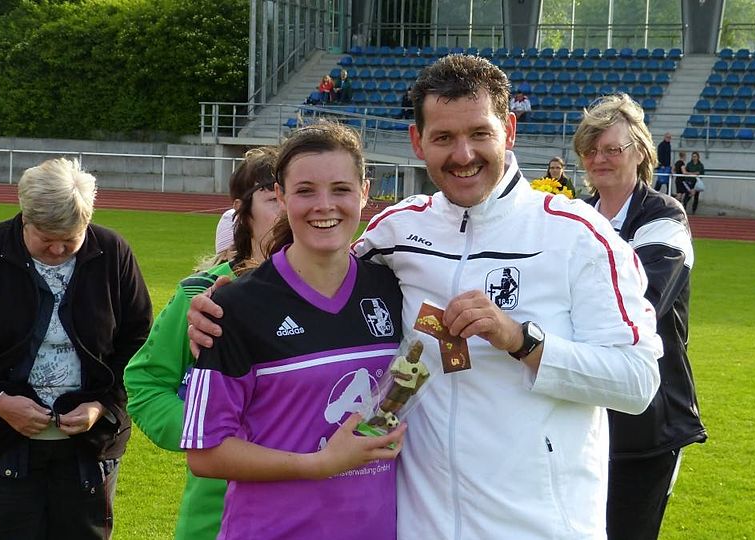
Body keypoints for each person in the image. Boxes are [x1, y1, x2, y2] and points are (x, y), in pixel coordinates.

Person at [188, 54, 662, 540]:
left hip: (538, 527)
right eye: (443, 137)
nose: (463, 154)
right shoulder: (398, 231)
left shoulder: (578, 236)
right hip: (421, 526)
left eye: (479, 133)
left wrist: (522, 340)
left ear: (509, 131)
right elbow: (314, 271)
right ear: (418, 142)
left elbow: (637, 382)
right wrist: (229, 301)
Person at [182, 122, 407, 540]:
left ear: (364, 192)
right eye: (305, 191)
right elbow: (204, 452)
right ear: (282, 196)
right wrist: (318, 465)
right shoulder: (235, 307)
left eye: (341, 189)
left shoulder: (393, 290)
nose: (324, 205)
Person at [0, 158, 153, 540]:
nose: (57, 248)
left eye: (70, 238)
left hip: (89, 450)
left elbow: (138, 341)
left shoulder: (113, 253)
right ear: (25, 218)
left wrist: (101, 405)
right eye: (46, 237)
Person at [124, 147, 281, 540]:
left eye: (297, 193)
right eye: (273, 198)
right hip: (216, 519)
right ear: (242, 212)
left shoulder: (339, 291)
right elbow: (146, 384)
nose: (289, 209)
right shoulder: (202, 294)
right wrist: (208, 432)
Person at [575, 94, 707, 540]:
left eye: (612, 148)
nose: (599, 158)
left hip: (647, 423)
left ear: (641, 153)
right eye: (591, 150)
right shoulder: (576, 215)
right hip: (581, 412)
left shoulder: (665, 216)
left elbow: (640, 304)